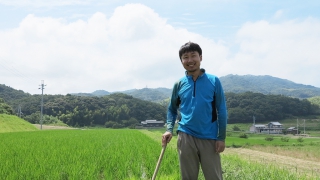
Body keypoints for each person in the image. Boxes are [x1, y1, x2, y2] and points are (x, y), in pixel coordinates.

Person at [162, 42, 228, 180]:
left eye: (193, 56)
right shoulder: (179, 84)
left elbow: (221, 110)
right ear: (181, 61)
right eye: (185, 57)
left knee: (214, 177)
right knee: (188, 177)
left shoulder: (213, 81)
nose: (190, 60)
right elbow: (172, 109)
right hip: (186, 135)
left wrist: (221, 137)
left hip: (209, 137)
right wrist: (169, 129)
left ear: (201, 57)